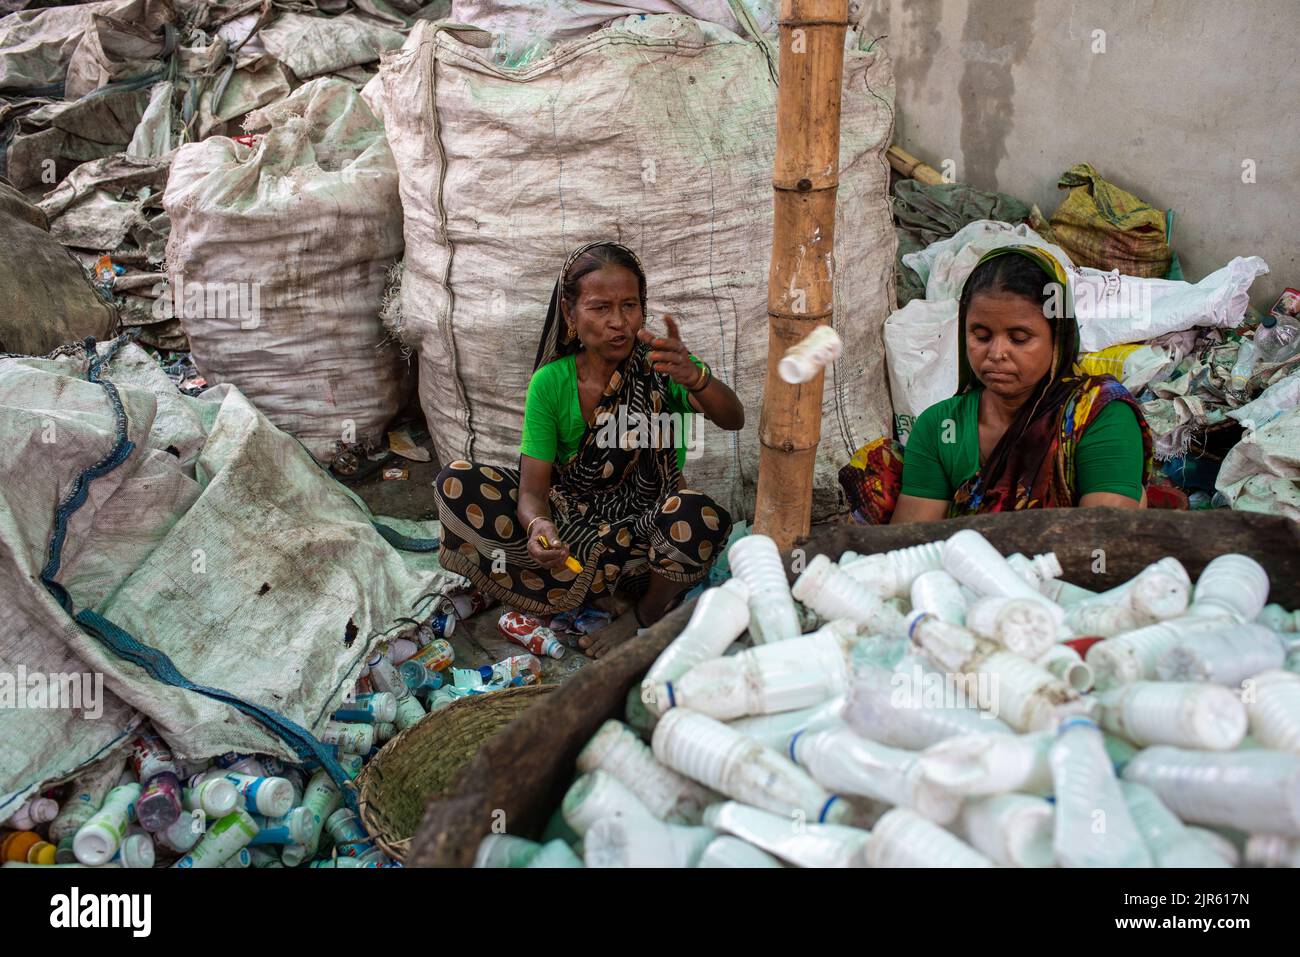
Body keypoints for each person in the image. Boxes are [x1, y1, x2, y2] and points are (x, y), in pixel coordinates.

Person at [434, 241, 744, 657]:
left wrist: (696, 380)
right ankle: (595, 595)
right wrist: (539, 527)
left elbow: (732, 418)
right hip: (572, 532)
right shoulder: (551, 383)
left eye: (630, 306)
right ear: (570, 314)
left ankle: (644, 614)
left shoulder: (664, 368)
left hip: (646, 536)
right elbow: (532, 492)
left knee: (696, 515)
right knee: (458, 483)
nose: (618, 322)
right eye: (600, 308)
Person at [881, 244, 1153, 523]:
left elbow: (1102, 540)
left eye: (1019, 338)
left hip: (1064, 564)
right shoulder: (940, 426)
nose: (996, 354)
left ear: (1058, 336)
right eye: (981, 336)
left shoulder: (1099, 417)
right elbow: (911, 541)